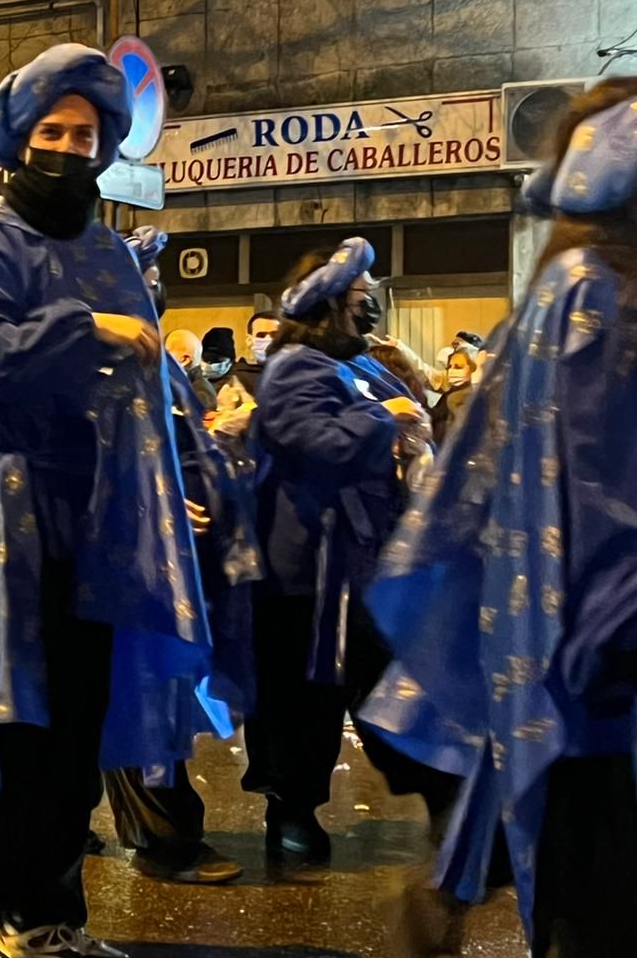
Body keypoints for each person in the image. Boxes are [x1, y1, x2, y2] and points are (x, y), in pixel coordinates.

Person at [0, 44, 208, 958]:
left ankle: (47, 914)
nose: (70, 147)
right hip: (6, 524)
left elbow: (152, 382)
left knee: (76, 728)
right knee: (9, 724)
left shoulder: (116, 251)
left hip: (101, 524)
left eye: (86, 134)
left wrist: (182, 481)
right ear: (19, 138)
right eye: (52, 131)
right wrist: (81, 329)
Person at [359, 82, 637, 958]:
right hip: (599, 661)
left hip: (575, 650)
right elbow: (593, 497)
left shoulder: (574, 287)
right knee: (595, 893)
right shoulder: (591, 297)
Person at [244, 239, 454, 865]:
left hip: (359, 555)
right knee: (304, 699)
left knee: (378, 680)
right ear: (331, 305)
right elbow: (316, 444)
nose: (371, 312)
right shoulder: (294, 367)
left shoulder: (358, 364)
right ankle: (292, 809)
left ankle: (439, 792)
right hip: (308, 567)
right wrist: (384, 423)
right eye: (362, 300)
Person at [94, 226, 256, 889]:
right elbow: (97, 449)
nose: (154, 289)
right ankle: (163, 840)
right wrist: (149, 505)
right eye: (142, 275)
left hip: (169, 548)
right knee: (139, 692)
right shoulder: (109, 358)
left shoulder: (152, 358)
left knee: (144, 690)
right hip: (131, 551)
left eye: (158, 277)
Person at [429, 344, 477, 445]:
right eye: (449, 367)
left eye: (458, 367)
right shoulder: (451, 392)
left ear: (472, 369)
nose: (451, 371)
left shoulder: (470, 397)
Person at [225, 312, 279, 397]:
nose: (268, 340)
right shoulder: (237, 379)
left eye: (275, 335)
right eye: (261, 335)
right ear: (249, 340)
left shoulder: (297, 374)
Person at [166, 328, 218, 412]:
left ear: (184, 359)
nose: (162, 359)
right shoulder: (180, 385)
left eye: (167, 353)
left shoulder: (201, 395)